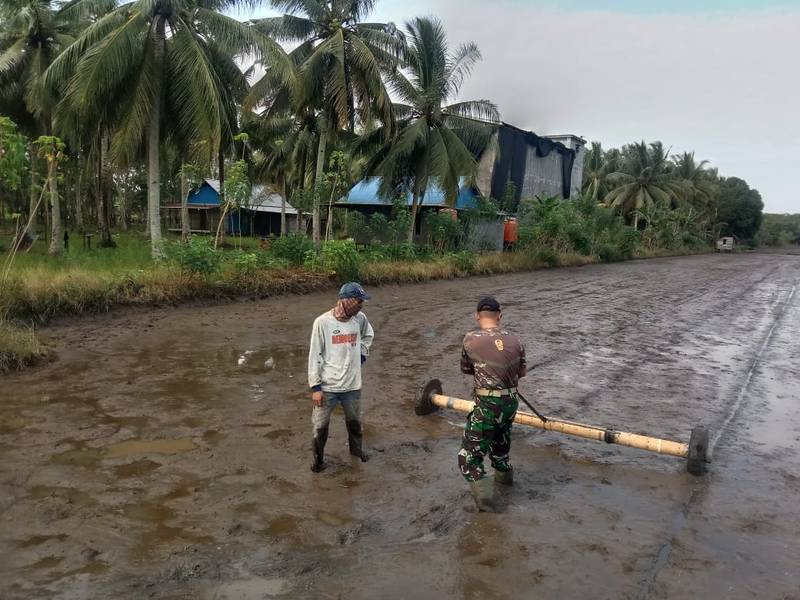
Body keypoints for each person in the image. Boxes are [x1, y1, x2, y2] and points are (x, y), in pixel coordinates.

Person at [458, 296, 527, 511]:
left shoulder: (470, 339)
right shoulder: (516, 340)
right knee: (500, 452)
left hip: (488, 404)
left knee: (468, 459)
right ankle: (507, 488)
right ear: (500, 316)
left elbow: (466, 369)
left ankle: (488, 508)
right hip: (510, 403)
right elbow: (522, 371)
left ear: (477, 316)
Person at [307, 282, 375, 472]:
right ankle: (318, 461)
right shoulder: (322, 323)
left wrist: (362, 354)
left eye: (362, 301)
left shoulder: (359, 319)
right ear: (346, 301)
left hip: (352, 386)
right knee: (320, 426)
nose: (361, 304)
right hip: (328, 388)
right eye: (358, 301)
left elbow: (368, 335)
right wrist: (316, 388)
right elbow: (315, 355)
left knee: (354, 423)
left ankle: (357, 452)